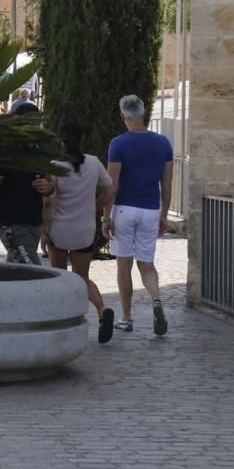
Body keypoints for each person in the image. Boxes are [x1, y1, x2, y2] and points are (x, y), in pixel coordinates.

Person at [39, 118, 117, 344]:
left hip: (60, 229)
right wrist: (96, 206)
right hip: (84, 228)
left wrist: (44, 231)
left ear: (60, 140)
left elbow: (47, 202)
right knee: (82, 277)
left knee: (60, 277)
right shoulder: (93, 163)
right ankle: (102, 309)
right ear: (82, 139)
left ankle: (63, 320)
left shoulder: (55, 166)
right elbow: (111, 190)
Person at [104, 94, 174, 336]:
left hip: (124, 207)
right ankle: (156, 300)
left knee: (124, 264)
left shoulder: (118, 144)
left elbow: (111, 184)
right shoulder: (163, 143)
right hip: (150, 208)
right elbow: (167, 183)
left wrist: (105, 216)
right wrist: (164, 213)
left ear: (124, 116)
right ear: (143, 113)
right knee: (147, 263)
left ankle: (126, 317)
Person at [0, 102, 47, 265]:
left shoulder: (42, 149)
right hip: (10, 224)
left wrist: (49, 186)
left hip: (34, 222)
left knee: (17, 270)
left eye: (36, 124)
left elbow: (51, 183)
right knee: (32, 270)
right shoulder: (3, 153)